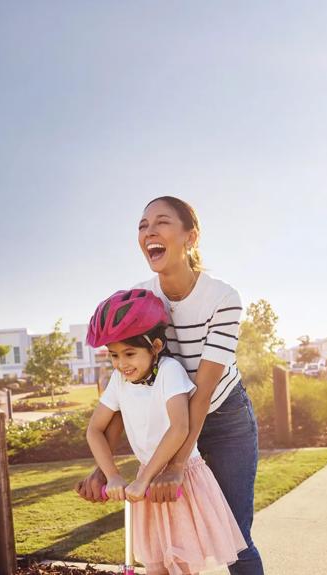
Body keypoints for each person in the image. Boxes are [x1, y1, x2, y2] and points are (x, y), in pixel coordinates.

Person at [77, 196, 263, 575]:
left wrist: (178, 464)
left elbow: (203, 389)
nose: (149, 232)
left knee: (235, 538)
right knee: (168, 549)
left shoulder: (223, 298)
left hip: (223, 417)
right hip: (172, 423)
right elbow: (130, 386)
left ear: (190, 237)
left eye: (161, 223)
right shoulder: (141, 299)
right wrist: (105, 467)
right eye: (143, 226)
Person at [83, 289, 247, 575]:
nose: (122, 364)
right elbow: (94, 430)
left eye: (130, 353)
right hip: (145, 485)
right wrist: (112, 475)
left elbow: (180, 427)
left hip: (180, 482)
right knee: (155, 566)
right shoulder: (119, 382)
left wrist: (144, 479)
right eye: (114, 356)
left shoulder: (170, 371)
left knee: (181, 567)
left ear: (155, 346)